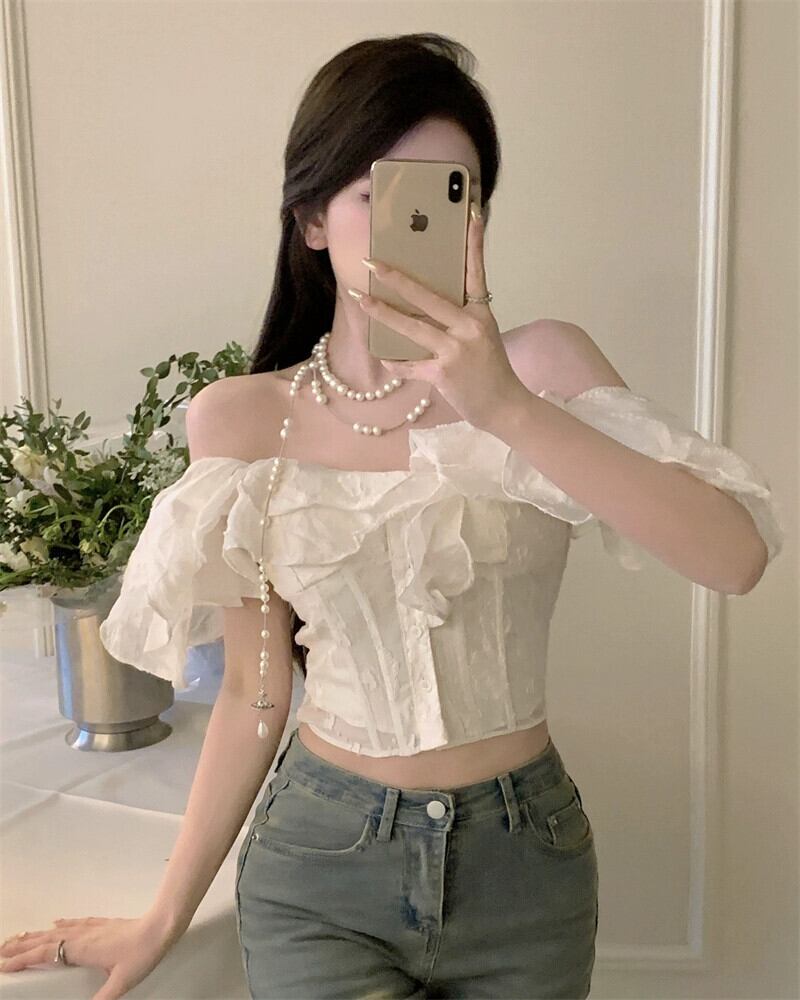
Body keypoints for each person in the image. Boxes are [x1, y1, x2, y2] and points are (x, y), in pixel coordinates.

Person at [0, 31, 784, 1000]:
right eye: (379, 193)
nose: (417, 221)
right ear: (311, 219)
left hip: (525, 867)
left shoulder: (543, 368)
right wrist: (163, 916)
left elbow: (732, 557)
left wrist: (505, 408)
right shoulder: (241, 418)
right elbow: (254, 691)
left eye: (455, 193)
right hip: (319, 864)